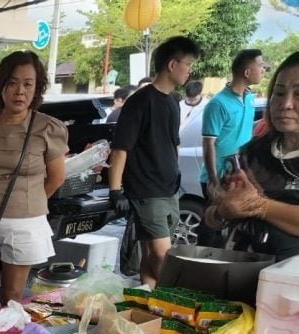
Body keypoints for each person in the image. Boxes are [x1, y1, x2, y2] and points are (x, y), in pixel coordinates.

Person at [0, 51, 68, 313]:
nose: (20, 91)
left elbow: (56, 178)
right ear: (0, 86)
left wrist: (26, 199)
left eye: (28, 84)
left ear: (37, 88)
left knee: (11, 296)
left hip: (27, 223)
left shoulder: (47, 127)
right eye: (12, 82)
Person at [108, 36, 200, 288]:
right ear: (172, 64)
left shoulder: (172, 101)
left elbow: (174, 143)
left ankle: (150, 299)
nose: (190, 70)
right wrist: (115, 191)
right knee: (163, 254)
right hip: (146, 191)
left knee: (152, 254)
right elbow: (120, 149)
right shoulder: (140, 101)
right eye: (188, 64)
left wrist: (176, 177)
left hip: (169, 188)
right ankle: (172, 300)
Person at [204, 51, 299, 261]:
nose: (286, 104)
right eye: (280, 93)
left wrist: (260, 205)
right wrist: (223, 211)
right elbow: (210, 215)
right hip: (237, 277)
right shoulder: (251, 153)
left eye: (298, 94)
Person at [198, 50, 267, 247]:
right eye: (260, 65)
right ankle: (199, 268)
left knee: (234, 229)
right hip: (219, 175)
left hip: (240, 174)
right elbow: (208, 143)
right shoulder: (218, 104)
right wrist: (214, 182)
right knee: (212, 226)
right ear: (247, 72)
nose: (263, 70)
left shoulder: (249, 98)